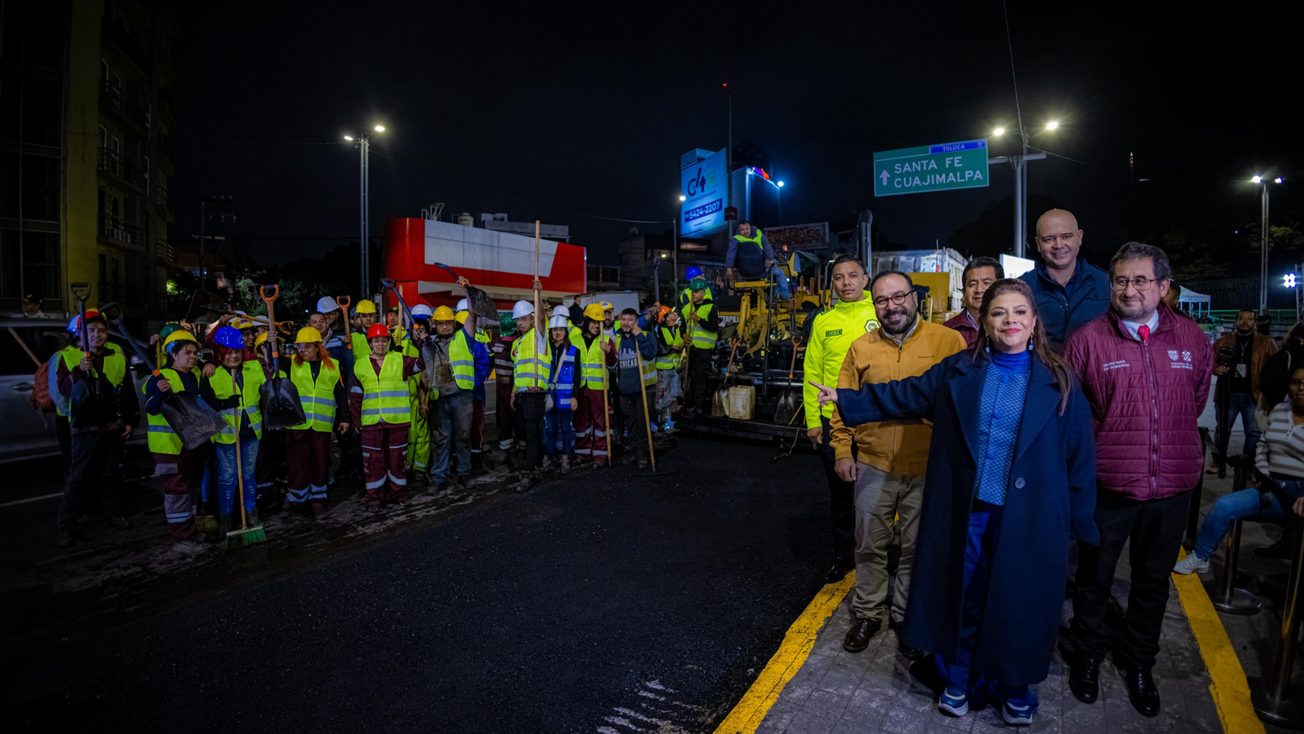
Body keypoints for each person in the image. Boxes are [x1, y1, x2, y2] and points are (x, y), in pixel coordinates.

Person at [811, 278, 1098, 727]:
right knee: (961, 596)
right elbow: (906, 393)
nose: (1009, 321)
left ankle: (1014, 687)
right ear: (984, 322)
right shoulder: (959, 370)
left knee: (1018, 603)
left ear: (1033, 322)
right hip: (969, 512)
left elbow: (1079, 457)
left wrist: (1078, 524)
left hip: (1030, 518)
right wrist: (847, 399)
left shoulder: (1060, 380)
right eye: (998, 312)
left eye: (1019, 312)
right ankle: (958, 680)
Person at [1063, 242, 1213, 718]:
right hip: (1109, 486)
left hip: (1173, 487)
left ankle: (1140, 662)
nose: (1130, 290)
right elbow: (1074, 414)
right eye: (1121, 280)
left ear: (1164, 286)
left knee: (1152, 583)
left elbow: (1195, 400)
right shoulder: (1087, 340)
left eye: (1141, 280)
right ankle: (1087, 655)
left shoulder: (1192, 338)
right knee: (1094, 578)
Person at [830, 271, 966, 656]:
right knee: (868, 546)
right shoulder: (861, 348)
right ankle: (868, 613)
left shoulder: (948, 342)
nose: (892, 306)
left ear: (915, 298)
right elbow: (842, 402)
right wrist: (842, 450)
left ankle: (906, 615)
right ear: (874, 305)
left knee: (916, 548)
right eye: (882, 300)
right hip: (874, 463)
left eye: (899, 297)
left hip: (927, 466)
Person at [1177, 363, 1304, 575]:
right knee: (1224, 506)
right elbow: (1263, 444)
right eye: (1295, 382)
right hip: (1273, 488)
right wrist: (1262, 470)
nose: (1300, 388)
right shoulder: (1280, 410)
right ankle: (1201, 556)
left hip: (1301, 492)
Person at [803, 255, 880, 584]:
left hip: (875, 418)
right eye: (838, 277)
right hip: (833, 421)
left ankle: (876, 557)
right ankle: (844, 554)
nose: (845, 282)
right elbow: (812, 370)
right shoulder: (823, 321)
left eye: (852, 275)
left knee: (879, 493)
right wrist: (813, 420)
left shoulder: (881, 313)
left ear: (865, 279)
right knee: (841, 493)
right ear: (831, 283)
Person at [56, 310, 138, 547]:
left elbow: (128, 391)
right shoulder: (67, 357)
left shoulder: (117, 357)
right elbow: (63, 389)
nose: (97, 335)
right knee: (78, 477)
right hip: (83, 428)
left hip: (112, 426)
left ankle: (113, 514)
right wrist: (79, 370)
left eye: (101, 330)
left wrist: (130, 420)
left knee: (112, 473)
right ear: (80, 334)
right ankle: (66, 527)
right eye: (91, 330)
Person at [144, 330, 208, 554]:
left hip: (193, 442)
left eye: (195, 353)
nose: (193, 357)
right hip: (170, 445)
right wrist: (161, 395)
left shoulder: (194, 375)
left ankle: (189, 530)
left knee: (191, 488)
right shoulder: (160, 377)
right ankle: (181, 539)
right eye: (187, 353)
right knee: (177, 491)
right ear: (173, 354)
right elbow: (151, 408)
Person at [349, 323, 425, 508]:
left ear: (388, 342)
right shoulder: (360, 365)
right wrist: (356, 421)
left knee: (397, 460)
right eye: (376, 341)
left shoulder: (400, 360)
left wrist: (422, 345)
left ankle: (398, 494)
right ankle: (375, 496)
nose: (380, 344)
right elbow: (356, 396)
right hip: (371, 424)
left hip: (397, 422)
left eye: (384, 340)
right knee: (373, 462)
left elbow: (421, 365)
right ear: (370, 343)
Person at [202, 326, 266, 534]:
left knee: (248, 475)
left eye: (237, 351)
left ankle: (251, 513)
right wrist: (224, 403)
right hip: (226, 435)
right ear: (220, 353)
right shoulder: (211, 373)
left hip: (251, 431)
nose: (233, 356)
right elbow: (206, 403)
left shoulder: (254, 368)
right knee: (228, 478)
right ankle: (226, 517)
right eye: (228, 352)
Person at [1018, 209, 1111, 351]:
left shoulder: (1107, 283)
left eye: (1066, 236)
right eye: (1049, 239)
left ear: (1079, 237)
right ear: (1038, 243)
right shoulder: (1021, 289)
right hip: (1041, 365)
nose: (1059, 245)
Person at [284, 327, 349, 518]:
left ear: (317, 347)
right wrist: (271, 341)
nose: (302, 350)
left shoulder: (333, 366)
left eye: (307, 346)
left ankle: (317, 500)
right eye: (299, 346)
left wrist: (345, 418)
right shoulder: (291, 364)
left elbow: (340, 393)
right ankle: (297, 501)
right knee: (298, 464)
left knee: (319, 463)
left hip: (321, 424)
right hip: (298, 424)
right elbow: (271, 362)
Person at [423, 305, 484, 491]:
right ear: (435, 324)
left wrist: (469, 294)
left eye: (448, 322)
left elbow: (472, 317)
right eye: (441, 323)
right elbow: (423, 372)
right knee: (440, 440)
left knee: (463, 437)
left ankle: (464, 473)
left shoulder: (464, 337)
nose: (445, 326)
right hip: (439, 399)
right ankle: (439, 477)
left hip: (462, 397)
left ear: (453, 323)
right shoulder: (428, 345)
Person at [1211, 308, 1276, 471]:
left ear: (1255, 322)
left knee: (1253, 432)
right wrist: (1216, 368)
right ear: (1236, 321)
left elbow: (1276, 366)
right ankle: (1218, 461)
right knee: (1222, 430)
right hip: (1227, 393)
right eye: (1241, 318)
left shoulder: (1266, 342)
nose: (1245, 322)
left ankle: (1247, 464)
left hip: (1254, 394)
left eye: (1249, 319)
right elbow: (1209, 361)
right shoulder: (1223, 341)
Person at [511, 299, 551, 492]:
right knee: (528, 433)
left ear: (532, 319)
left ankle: (528, 471)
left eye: (524, 319)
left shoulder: (539, 336)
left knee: (533, 433)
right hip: (522, 394)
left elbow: (542, 318)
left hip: (535, 394)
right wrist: (514, 392)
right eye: (518, 319)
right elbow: (518, 370)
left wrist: (539, 296)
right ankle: (536, 466)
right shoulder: (518, 341)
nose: (520, 323)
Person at [613, 308, 657, 469]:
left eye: (630, 320)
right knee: (630, 422)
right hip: (624, 389)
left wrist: (639, 335)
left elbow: (650, 353)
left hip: (644, 388)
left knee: (642, 423)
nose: (626, 323)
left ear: (636, 322)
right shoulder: (616, 339)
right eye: (624, 319)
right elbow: (613, 364)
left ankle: (642, 453)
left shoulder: (646, 335)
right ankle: (632, 450)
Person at [573, 304, 616, 466]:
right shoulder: (574, 340)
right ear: (586, 321)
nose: (597, 326)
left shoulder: (606, 341)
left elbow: (613, 366)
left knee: (601, 422)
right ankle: (582, 452)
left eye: (599, 323)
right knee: (581, 421)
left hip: (599, 388)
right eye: (593, 322)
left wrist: (609, 351)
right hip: (580, 387)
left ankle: (600, 454)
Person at [456, 298, 493, 462]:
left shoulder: (474, 341)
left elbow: (484, 364)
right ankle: (466, 456)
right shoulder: (456, 340)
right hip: (463, 391)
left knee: (473, 424)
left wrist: (472, 383)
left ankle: (474, 455)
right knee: (464, 426)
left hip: (472, 391)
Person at [545, 313, 580, 473]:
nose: (558, 333)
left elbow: (577, 376)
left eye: (561, 329)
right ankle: (549, 456)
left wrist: (574, 397)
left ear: (566, 331)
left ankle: (565, 456)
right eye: (554, 330)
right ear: (551, 332)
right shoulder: (545, 350)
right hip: (550, 396)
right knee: (551, 429)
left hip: (566, 397)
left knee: (566, 428)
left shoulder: (574, 351)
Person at [680, 278, 720, 416]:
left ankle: (699, 406)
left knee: (701, 378)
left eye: (697, 292)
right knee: (690, 377)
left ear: (703, 292)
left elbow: (713, 327)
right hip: (691, 348)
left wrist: (699, 319)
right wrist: (684, 335)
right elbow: (682, 327)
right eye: (692, 292)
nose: (694, 294)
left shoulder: (711, 308)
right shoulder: (686, 308)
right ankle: (689, 404)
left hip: (704, 349)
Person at [944, 257, 1004, 348]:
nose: (979, 290)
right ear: (964, 292)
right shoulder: (948, 329)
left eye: (986, 283)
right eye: (972, 284)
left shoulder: (1011, 325)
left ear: (1001, 289)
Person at [402, 313, 433, 480]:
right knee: (407, 435)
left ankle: (420, 469)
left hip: (421, 397)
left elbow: (424, 376)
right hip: (403, 400)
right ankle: (405, 468)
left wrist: (422, 402)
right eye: (416, 329)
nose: (418, 332)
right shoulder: (402, 345)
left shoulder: (428, 348)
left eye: (422, 329)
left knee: (422, 435)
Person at [726, 221, 790, 299]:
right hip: (762, 271)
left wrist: (729, 269)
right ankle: (784, 297)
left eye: (747, 229)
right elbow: (767, 248)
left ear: (750, 228)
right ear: (739, 231)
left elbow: (730, 254)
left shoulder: (736, 239)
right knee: (780, 273)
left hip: (744, 272)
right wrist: (768, 259)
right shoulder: (754, 235)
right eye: (743, 230)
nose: (745, 231)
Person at [490, 313, 522, 452]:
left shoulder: (495, 343)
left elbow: (488, 360)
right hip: (515, 386)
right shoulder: (520, 342)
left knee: (504, 417)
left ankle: (506, 446)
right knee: (517, 417)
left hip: (504, 386)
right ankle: (518, 446)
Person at [654, 308, 685, 431]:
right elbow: (660, 347)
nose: (676, 313)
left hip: (675, 367)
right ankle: (661, 421)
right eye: (672, 312)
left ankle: (657, 410)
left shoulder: (679, 329)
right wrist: (673, 348)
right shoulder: (659, 330)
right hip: (663, 369)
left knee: (674, 393)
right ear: (666, 318)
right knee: (662, 395)